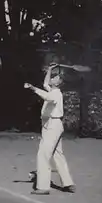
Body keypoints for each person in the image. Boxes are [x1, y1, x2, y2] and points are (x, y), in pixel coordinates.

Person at [24, 64, 76, 195]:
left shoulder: (56, 94)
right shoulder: (52, 90)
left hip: (53, 125)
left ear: (59, 82)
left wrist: (32, 88)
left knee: (43, 154)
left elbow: (46, 97)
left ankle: (43, 186)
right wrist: (49, 69)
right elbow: (45, 83)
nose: (52, 78)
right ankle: (68, 183)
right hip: (51, 125)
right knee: (58, 155)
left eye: (55, 77)